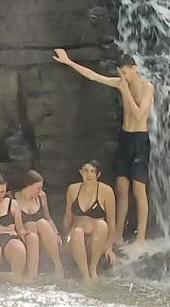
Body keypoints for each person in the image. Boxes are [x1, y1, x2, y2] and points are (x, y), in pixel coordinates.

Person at [51, 48, 155, 245]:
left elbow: (141, 114)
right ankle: (117, 234)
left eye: (125, 72)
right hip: (125, 137)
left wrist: (125, 92)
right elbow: (93, 77)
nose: (121, 77)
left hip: (140, 140)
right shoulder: (119, 83)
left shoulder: (146, 87)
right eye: (119, 73)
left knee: (139, 190)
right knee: (122, 188)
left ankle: (141, 237)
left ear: (135, 68)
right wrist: (69, 62)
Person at [63, 160, 117, 284]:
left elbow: (111, 221)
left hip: (96, 239)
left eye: (92, 171)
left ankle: (93, 270)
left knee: (102, 224)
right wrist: (65, 240)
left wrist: (109, 247)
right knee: (76, 232)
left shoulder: (106, 191)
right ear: (80, 172)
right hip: (76, 236)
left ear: (98, 175)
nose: (89, 174)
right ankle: (85, 276)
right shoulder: (73, 189)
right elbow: (67, 217)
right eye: (86, 171)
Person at [15, 171, 64, 281]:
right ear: (28, 186)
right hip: (25, 234)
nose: (40, 191)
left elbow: (48, 218)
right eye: (38, 188)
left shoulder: (41, 196)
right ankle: (33, 275)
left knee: (42, 223)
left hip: (43, 232)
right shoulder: (14, 199)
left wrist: (57, 233)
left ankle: (58, 265)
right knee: (33, 236)